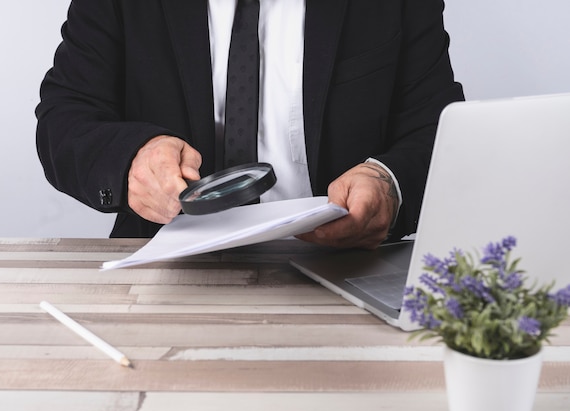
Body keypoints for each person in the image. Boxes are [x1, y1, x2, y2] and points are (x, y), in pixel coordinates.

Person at [36, 0, 464, 249]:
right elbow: (64, 116)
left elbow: (440, 126)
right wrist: (130, 161)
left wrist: (390, 182)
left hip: (343, 269)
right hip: (166, 269)